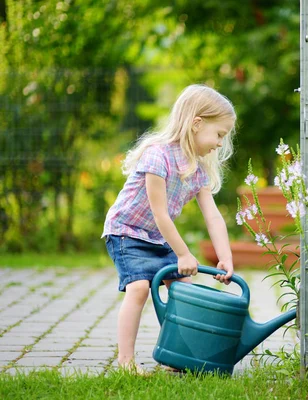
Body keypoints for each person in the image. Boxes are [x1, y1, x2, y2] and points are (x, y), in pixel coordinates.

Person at [101, 84, 236, 373]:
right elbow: (160, 213)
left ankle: (180, 356)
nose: (220, 143)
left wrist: (225, 256)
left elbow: (212, 216)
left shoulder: (197, 170)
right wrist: (184, 254)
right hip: (127, 232)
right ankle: (125, 362)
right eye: (219, 134)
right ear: (197, 123)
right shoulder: (157, 155)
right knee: (138, 287)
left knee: (184, 291)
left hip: (158, 237)